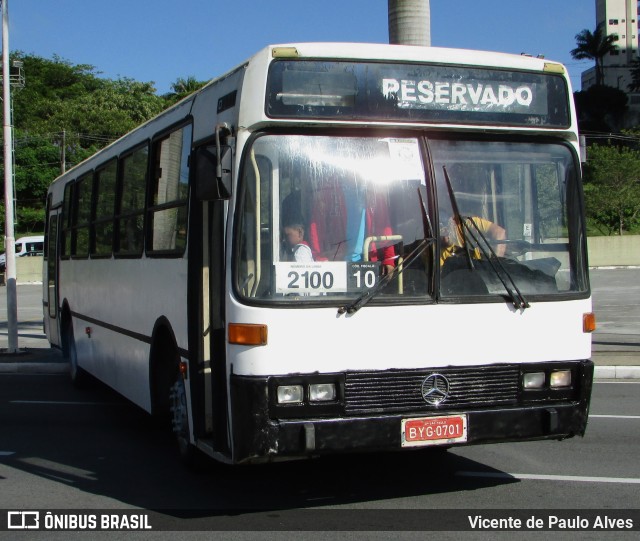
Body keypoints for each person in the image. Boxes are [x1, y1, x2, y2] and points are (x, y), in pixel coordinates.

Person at [440, 214, 506, 266]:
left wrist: (497, 265)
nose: (445, 232)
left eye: (447, 227)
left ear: (452, 223)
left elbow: (499, 233)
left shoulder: (465, 225)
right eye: (441, 230)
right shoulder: (435, 252)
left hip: (480, 272)